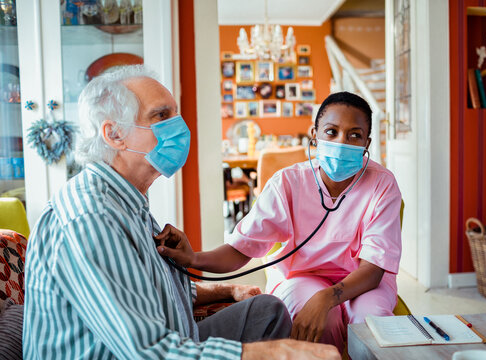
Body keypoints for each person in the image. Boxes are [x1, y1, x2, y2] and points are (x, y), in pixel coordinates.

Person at [23, 65, 340, 360]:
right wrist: (279, 353)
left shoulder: (128, 202)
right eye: (160, 115)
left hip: (169, 336)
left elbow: (147, 290)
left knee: (266, 311)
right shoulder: (91, 219)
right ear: (114, 134)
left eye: (175, 114)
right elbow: (149, 352)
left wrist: (225, 288)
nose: (179, 126)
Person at [158, 91, 402, 353]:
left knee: (371, 321)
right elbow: (243, 248)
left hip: (364, 279)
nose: (342, 142)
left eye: (354, 135)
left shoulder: (382, 183)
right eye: (331, 132)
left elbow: (374, 269)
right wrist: (193, 259)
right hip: (303, 276)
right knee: (323, 322)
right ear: (315, 135)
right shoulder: (288, 182)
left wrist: (327, 296)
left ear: (367, 142)